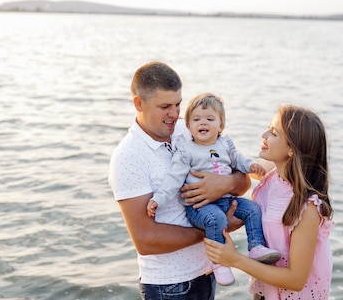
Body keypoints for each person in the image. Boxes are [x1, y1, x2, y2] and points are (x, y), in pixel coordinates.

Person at [108, 62, 252, 300]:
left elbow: (243, 179)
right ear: (138, 104)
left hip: (207, 271)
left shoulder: (189, 129)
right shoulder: (127, 157)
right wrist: (214, 229)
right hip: (170, 286)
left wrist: (224, 184)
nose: (175, 114)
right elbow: (145, 240)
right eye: (165, 106)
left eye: (177, 104)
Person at [146, 93, 281, 286]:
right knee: (216, 219)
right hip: (199, 208)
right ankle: (218, 263)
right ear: (188, 126)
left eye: (210, 119)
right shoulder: (186, 150)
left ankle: (256, 247)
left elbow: (238, 160)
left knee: (253, 209)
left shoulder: (225, 144)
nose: (203, 123)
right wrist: (158, 199)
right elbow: (173, 180)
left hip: (225, 200)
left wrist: (251, 165)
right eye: (197, 119)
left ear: (221, 125)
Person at [204, 105, 334, 300]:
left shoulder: (307, 207)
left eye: (273, 132)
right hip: (265, 292)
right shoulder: (273, 172)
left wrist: (235, 259)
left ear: (291, 149)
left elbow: (296, 280)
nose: (263, 134)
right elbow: (236, 168)